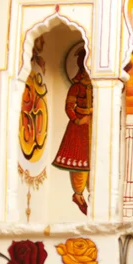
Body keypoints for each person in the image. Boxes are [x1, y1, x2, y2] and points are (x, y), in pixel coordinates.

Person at [52, 47, 92, 215]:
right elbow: (69, 107)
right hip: (79, 126)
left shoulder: (99, 85)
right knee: (78, 160)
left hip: (95, 125)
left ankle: (92, 194)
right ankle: (78, 194)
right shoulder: (76, 87)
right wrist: (78, 119)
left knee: (94, 159)